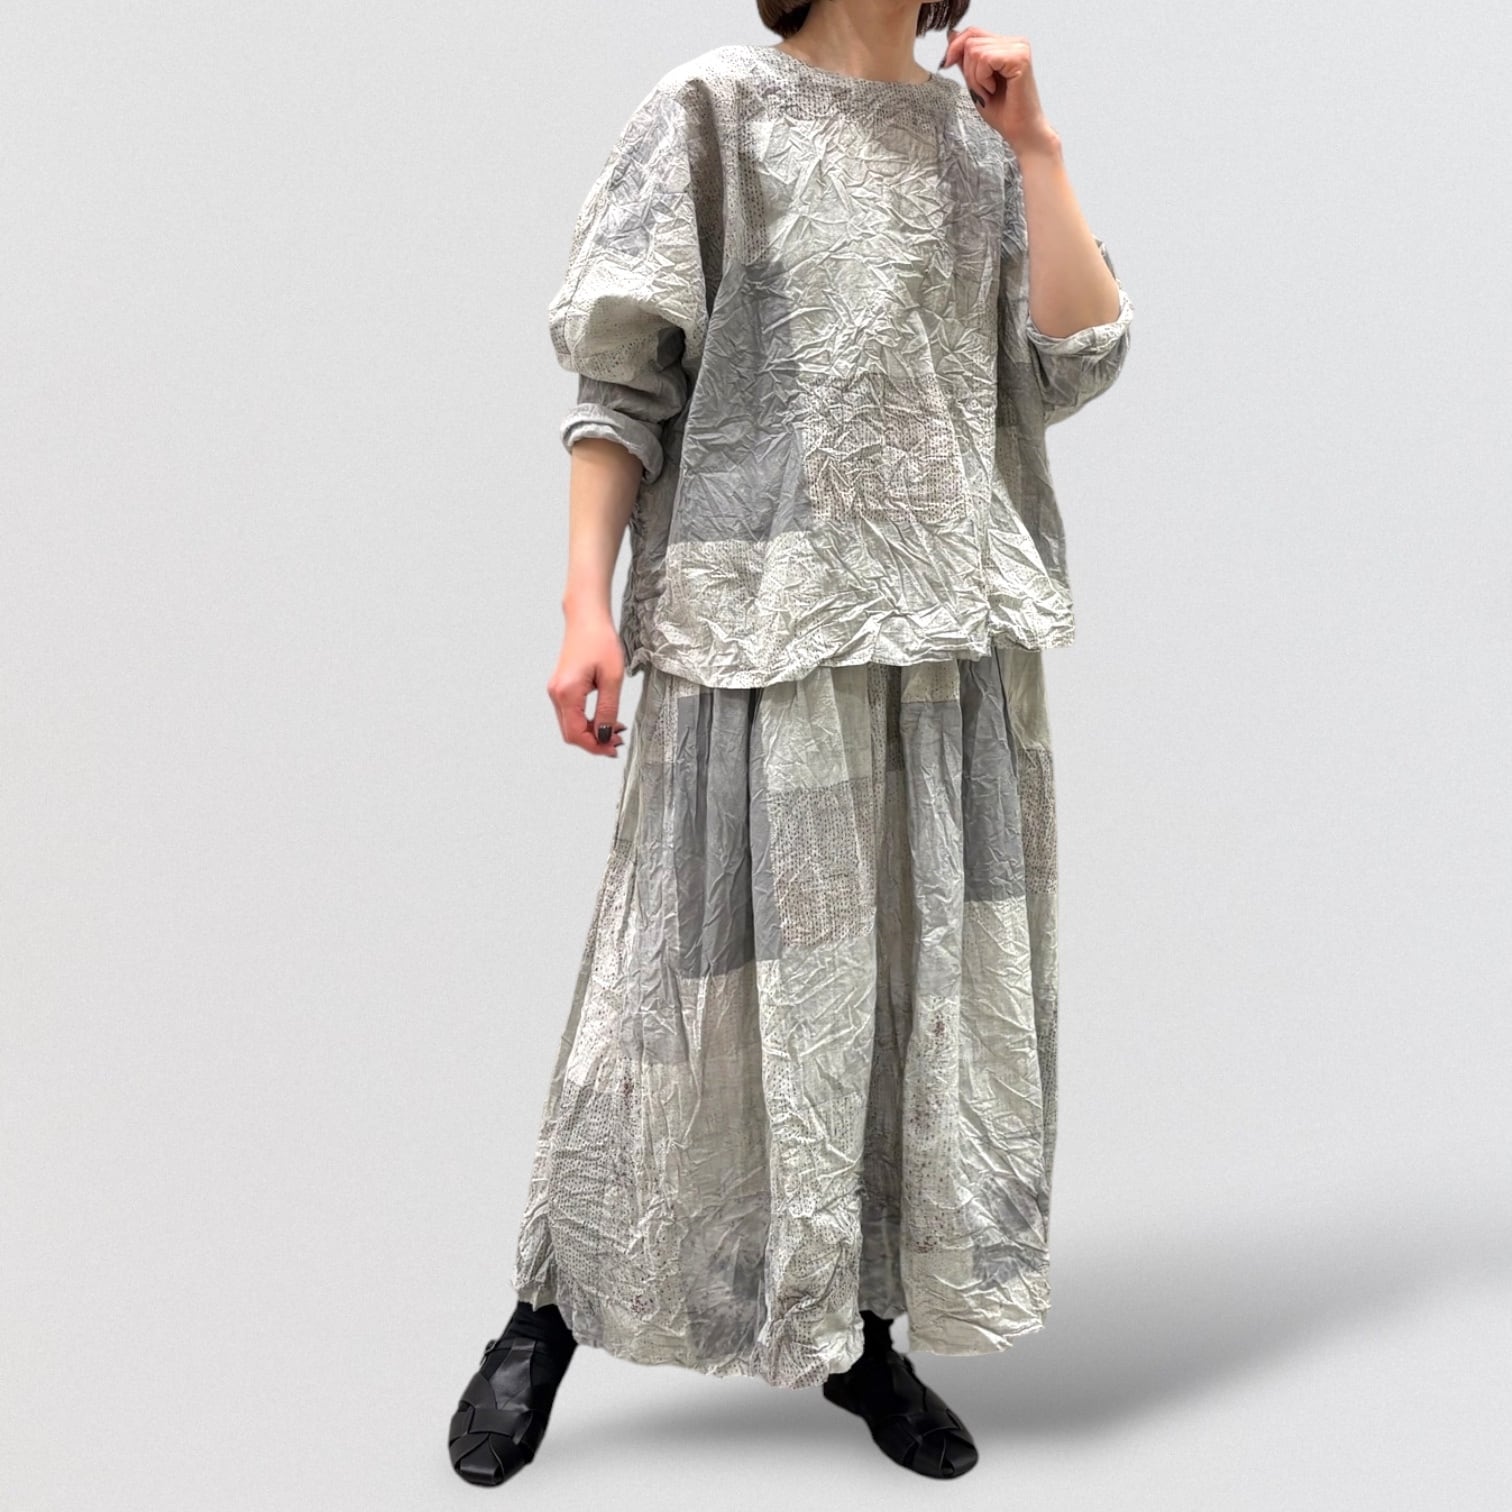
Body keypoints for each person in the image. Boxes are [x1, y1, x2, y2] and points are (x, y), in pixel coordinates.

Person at [447, 0, 1133, 1486]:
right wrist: (582, 606)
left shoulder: (978, 141)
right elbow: (624, 382)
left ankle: (860, 1332)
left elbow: (1072, 362)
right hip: (757, 626)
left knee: (906, 996)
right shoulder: (715, 111)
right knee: (668, 990)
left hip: (951, 640)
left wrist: (1036, 146)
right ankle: (543, 1316)